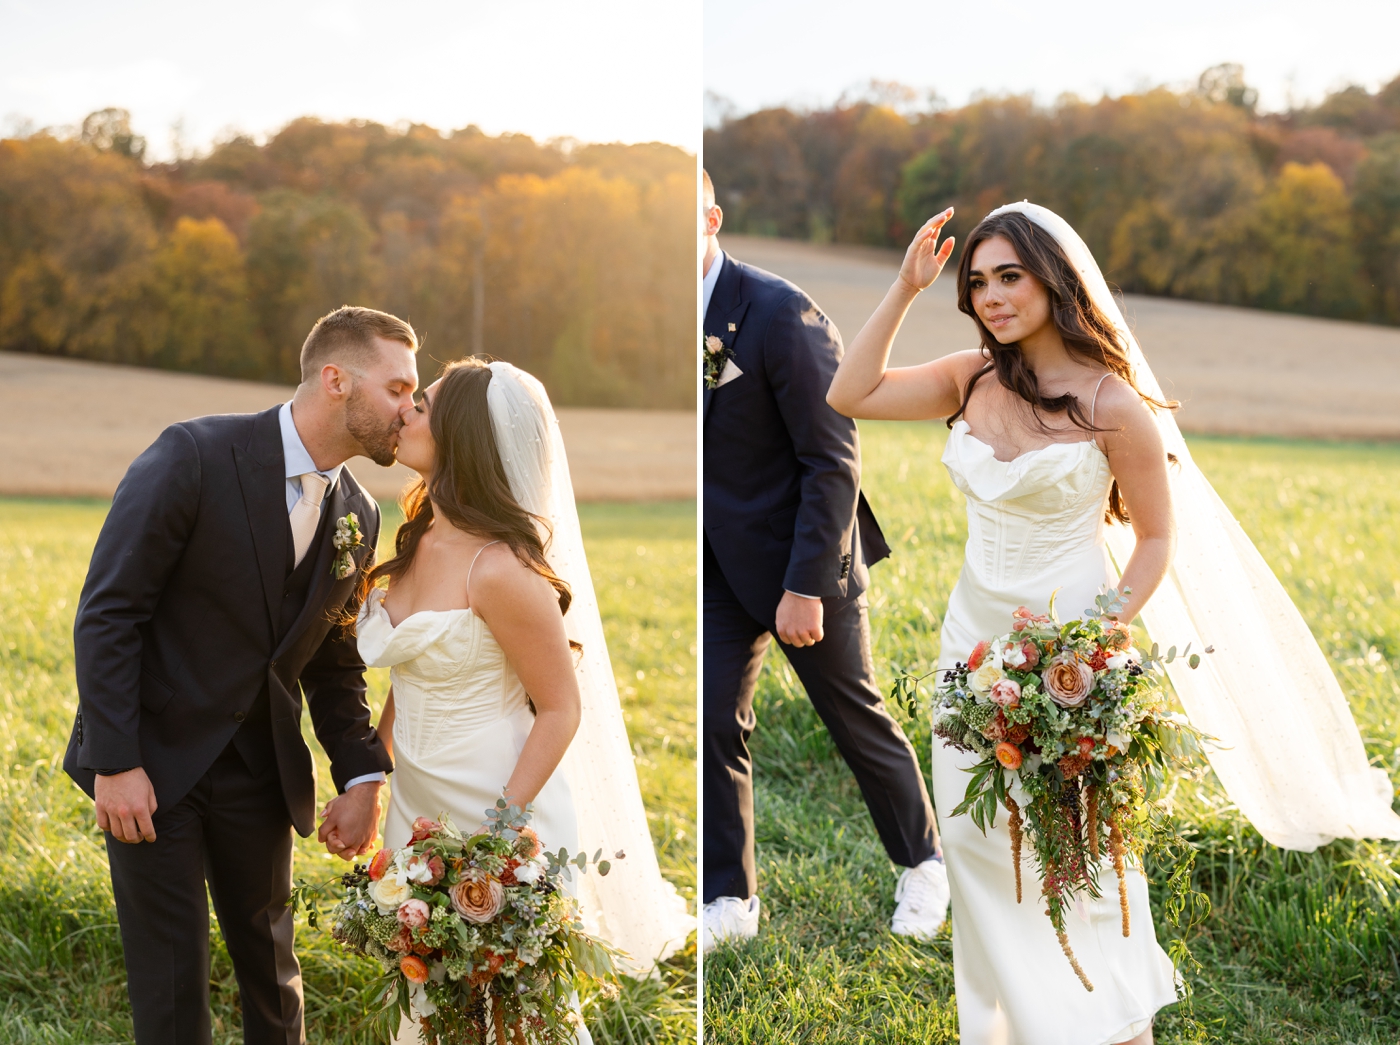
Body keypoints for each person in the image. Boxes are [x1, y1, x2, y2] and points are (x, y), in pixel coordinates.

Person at [828, 204, 1181, 1044]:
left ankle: (1108, 1017)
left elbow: (1158, 537)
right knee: (981, 842)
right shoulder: (970, 378)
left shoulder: (1112, 404)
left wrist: (1094, 642)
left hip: (1071, 656)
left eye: (1009, 276)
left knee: (1077, 852)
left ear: (1054, 279)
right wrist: (907, 286)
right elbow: (849, 392)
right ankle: (1016, 1025)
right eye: (977, 281)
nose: (990, 295)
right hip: (970, 649)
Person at [64, 306, 418, 1043]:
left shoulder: (359, 512)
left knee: (275, 977)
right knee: (171, 987)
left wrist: (362, 776)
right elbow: (109, 612)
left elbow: (333, 661)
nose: (408, 408)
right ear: (335, 380)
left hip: (261, 774)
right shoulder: (193, 454)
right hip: (150, 768)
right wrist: (116, 760)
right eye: (397, 387)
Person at [338, 358, 692, 1042]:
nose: (408, 407)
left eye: (427, 403)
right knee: (430, 1003)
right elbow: (408, 676)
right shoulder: (418, 540)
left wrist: (500, 837)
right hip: (419, 807)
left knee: (515, 1019)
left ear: (464, 437)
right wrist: (369, 778)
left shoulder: (499, 569)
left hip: (498, 808)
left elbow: (560, 707)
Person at [701, 168, 949, 951]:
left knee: (854, 718)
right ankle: (728, 899)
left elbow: (833, 458)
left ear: (710, 217)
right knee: (712, 720)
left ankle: (924, 865)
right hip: (714, 563)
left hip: (807, 556)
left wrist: (805, 586)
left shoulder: (778, 312)